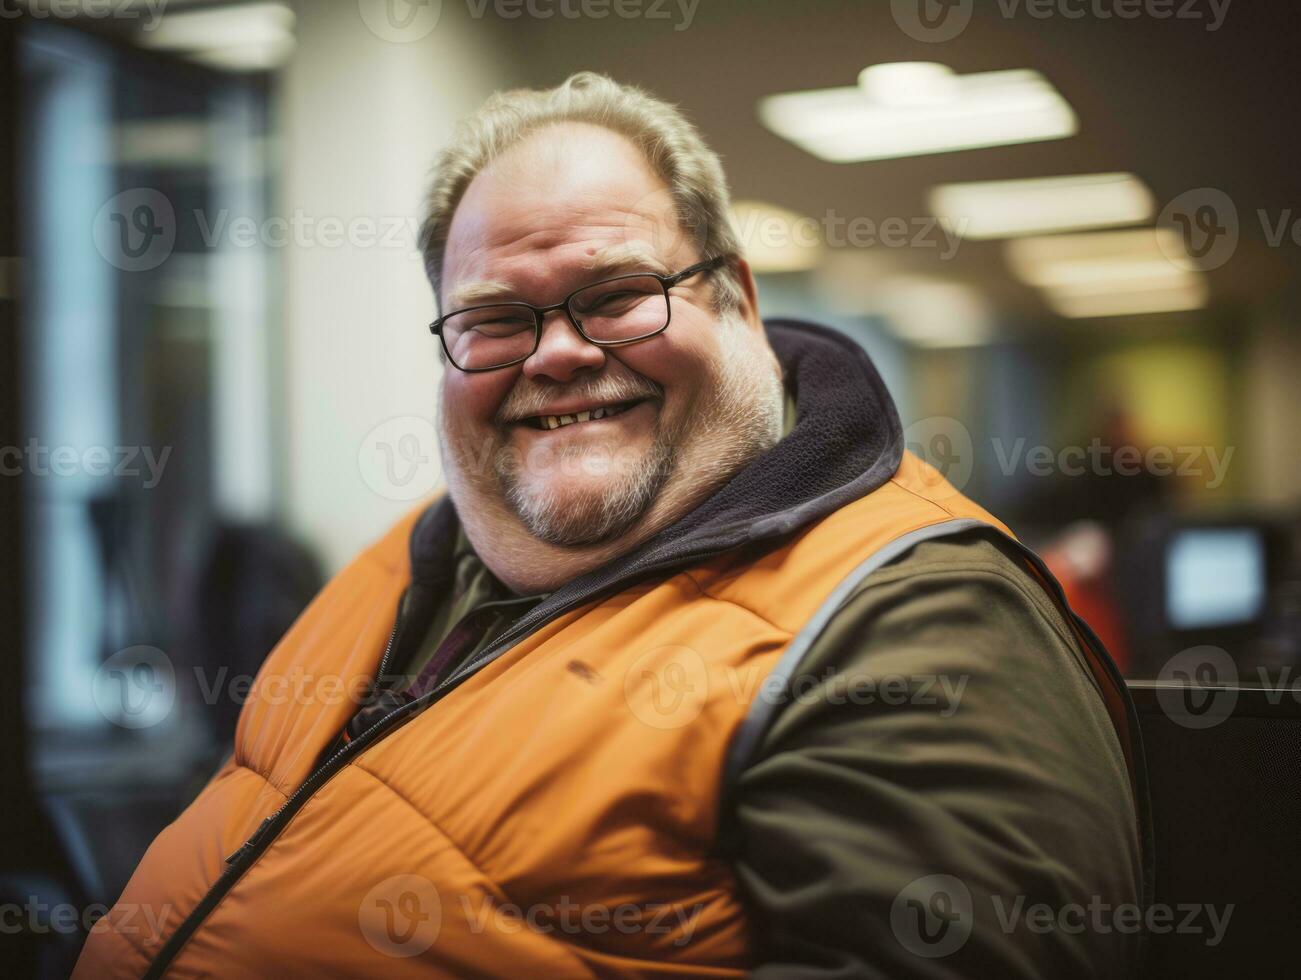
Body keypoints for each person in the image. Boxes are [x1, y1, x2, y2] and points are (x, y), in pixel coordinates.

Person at [75, 72, 1148, 978]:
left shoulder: (917, 618)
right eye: (494, 317)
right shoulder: (410, 558)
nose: (553, 352)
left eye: (615, 292)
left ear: (733, 295)